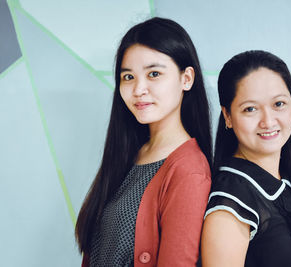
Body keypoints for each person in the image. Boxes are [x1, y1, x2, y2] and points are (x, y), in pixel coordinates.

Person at [75, 17, 212, 267]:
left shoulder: (188, 171)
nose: (139, 89)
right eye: (128, 77)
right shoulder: (130, 153)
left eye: (154, 74)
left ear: (186, 78)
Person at [201, 50, 291, 267]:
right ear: (228, 116)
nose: (268, 121)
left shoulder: (286, 182)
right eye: (250, 109)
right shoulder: (229, 206)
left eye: (279, 104)